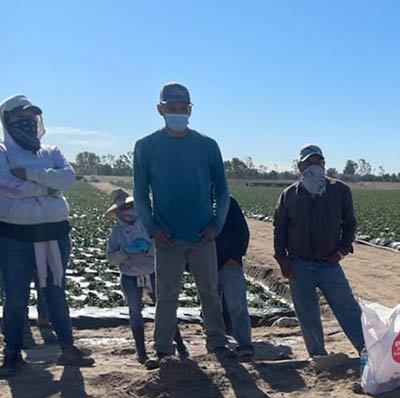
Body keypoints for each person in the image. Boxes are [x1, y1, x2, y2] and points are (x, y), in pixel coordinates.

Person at [133, 82, 233, 366]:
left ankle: (217, 342)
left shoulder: (207, 146)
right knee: (166, 295)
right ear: (160, 109)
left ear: (190, 110)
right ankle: (163, 349)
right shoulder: (146, 146)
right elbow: (140, 193)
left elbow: (222, 192)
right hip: (167, 236)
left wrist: (216, 224)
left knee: (210, 292)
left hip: (203, 235)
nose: (177, 113)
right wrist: (152, 228)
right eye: (171, 108)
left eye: (182, 108)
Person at [0, 94, 94, 377]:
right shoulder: (2, 152)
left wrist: (29, 176)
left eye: (32, 117)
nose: (28, 122)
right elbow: (6, 185)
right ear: (8, 120)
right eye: (21, 117)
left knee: (55, 292)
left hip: (54, 235)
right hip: (14, 238)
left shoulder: (51, 151)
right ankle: (13, 354)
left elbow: (68, 178)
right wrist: (47, 186)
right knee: (15, 297)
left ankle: (68, 348)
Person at [273, 144, 364, 362]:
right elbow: (280, 229)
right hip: (299, 265)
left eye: (318, 162)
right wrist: (283, 260)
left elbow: (350, 224)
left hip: (329, 263)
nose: (315, 166)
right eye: (309, 162)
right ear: (300, 166)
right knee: (307, 314)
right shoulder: (289, 195)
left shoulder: (339, 191)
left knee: (347, 308)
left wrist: (341, 251)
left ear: (324, 164)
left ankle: (367, 350)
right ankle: (318, 356)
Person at [105, 188, 187, 365]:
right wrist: (125, 251)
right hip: (130, 276)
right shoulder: (116, 233)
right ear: (118, 212)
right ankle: (141, 352)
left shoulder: (149, 225)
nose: (128, 210)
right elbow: (111, 258)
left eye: (130, 206)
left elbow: (162, 246)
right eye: (123, 208)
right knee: (135, 312)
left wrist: (148, 249)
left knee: (164, 307)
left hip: (152, 272)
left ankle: (180, 345)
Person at [215, 195, 253, 360]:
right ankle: (217, 343)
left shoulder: (228, 202)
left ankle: (244, 344)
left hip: (229, 263)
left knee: (237, 305)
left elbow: (242, 231)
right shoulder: (195, 200)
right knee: (211, 307)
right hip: (206, 263)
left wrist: (235, 256)